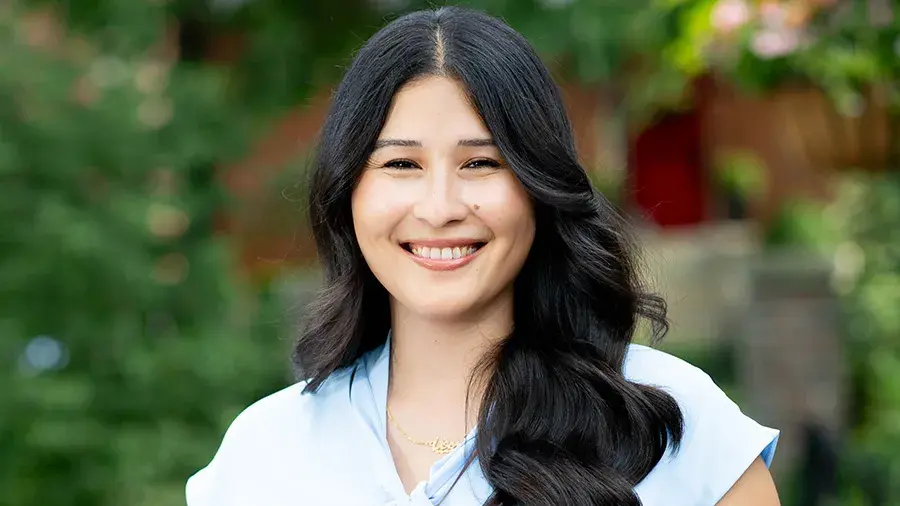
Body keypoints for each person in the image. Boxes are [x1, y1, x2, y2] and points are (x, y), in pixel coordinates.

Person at [186, 7, 780, 506]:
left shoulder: (676, 424)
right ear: (349, 195)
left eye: (481, 163)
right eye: (401, 164)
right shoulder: (263, 454)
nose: (441, 207)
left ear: (539, 188)